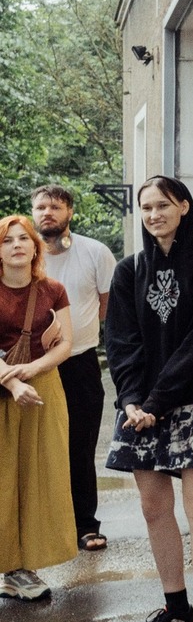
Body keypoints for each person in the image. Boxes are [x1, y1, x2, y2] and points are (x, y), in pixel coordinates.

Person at [104, 177, 193, 622]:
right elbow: (121, 343)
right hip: (140, 407)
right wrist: (131, 400)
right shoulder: (129, 270)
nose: (154, 214)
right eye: (146, 208)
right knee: (153, 507)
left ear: (183, 206)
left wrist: (158, 401)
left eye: (163, 205)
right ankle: (176, 608)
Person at [32, 184, 117, 552]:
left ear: (69, 212)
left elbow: (108, 306)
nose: (47, 213)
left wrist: (75, 332)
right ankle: (39, 529)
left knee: (80, 447)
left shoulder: (95, 252)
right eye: (41, 207)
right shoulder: (24, 255)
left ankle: (84, 525)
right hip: (32, 366)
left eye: (55, 206)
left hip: (80, 362)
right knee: (34, 448)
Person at [0, 215, 76, 601]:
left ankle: (21, 567)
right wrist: (13, 382)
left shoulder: (53, 289)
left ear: (35, 247)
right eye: (7, 240)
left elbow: (66, 344)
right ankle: (8, 565)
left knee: (38, 476)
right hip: (5, 387)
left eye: (23, 239)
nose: (16, 245)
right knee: (4, 479)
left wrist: (31, 370)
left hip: (43, 388)